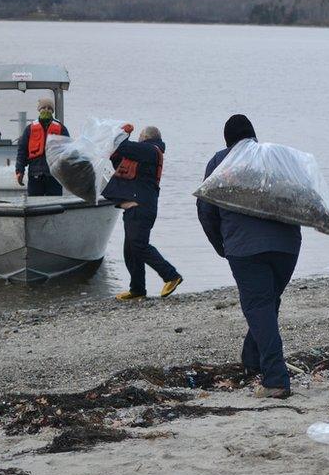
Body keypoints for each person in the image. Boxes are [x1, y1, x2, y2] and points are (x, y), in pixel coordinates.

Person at [196, 115, 301, 399]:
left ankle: (276, 380)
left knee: (260, 306)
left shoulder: (220, 161)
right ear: (254, 136)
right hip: (288, 247)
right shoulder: (275, 159)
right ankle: (252, 358)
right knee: (267, 304)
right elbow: (301, 198)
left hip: (245, 250)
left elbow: (206, 210)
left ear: (228, 140)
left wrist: (223, 246)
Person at [102, 125, 182, 301]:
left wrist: (123, 132)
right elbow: (119, 160)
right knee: (130, 250)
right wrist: (115, 152)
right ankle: (137, 289)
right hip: (136, 207)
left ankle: (171, 275)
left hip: (141, 206)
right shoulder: (143, 154)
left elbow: (123, 146)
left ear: (145, 137)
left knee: (138, 245)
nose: (137, 139)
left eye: (139, 136)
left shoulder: (149, 150)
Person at [15, 97, 70, 196]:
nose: (46, 110)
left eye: (49, 108)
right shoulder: (29, 129)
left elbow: (68, 151)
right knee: (34, 204)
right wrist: (19, 170)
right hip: (35, 174)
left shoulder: (61, 129)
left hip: (54, 175)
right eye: (43, 108)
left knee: (54, 205)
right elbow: (22, 151)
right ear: (39, 110)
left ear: (52, 111)